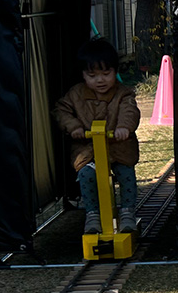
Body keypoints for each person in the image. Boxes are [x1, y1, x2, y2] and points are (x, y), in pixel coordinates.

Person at [54, 39, 140, 235]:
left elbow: (130, 111)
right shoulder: (75, 94)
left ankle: (127, 212)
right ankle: (92, 214)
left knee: (126, 174)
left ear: (115, 71)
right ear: (83, 75)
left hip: (118, 150)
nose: (100, 80)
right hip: (88, 151)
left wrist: (123, 128)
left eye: (106, 74)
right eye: (92, 75)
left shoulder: (123, 94)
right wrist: (74, 127)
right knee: (86, 175)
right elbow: (61, 110)